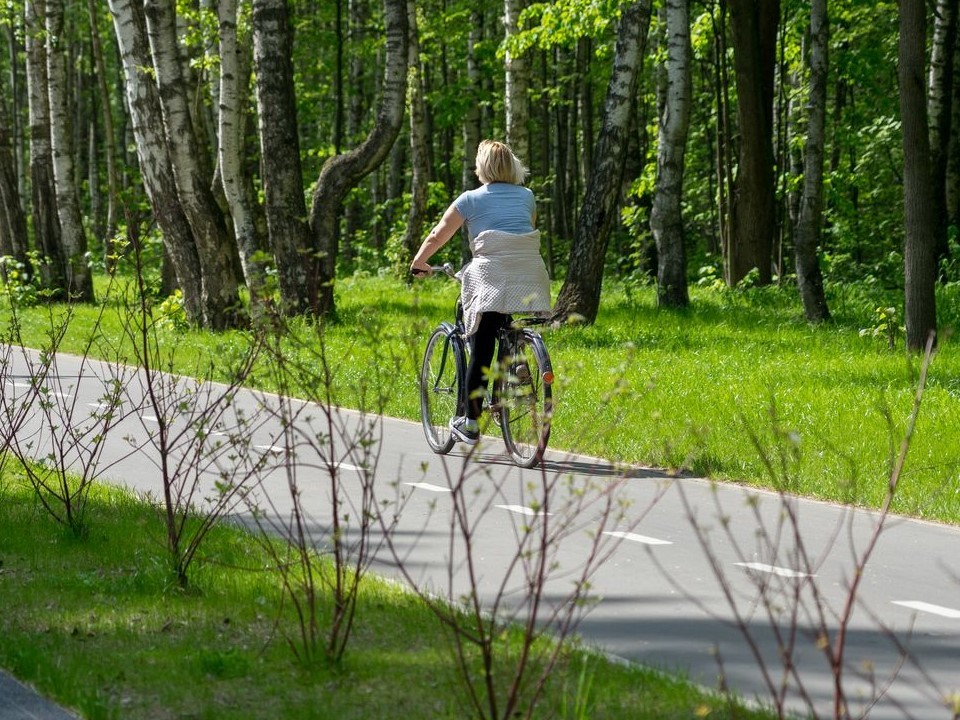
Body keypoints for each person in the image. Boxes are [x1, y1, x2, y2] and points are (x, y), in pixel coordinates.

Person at [411, 140, 551, 446]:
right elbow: (522, 232)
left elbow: (439, 233)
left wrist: (420, 261)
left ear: (483, 167)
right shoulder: (527, 196)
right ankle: (514, 364)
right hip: (530, 276)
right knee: (503, 319)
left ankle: (471, 421)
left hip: (491, 275)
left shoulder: (470, 199)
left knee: (482, 338)